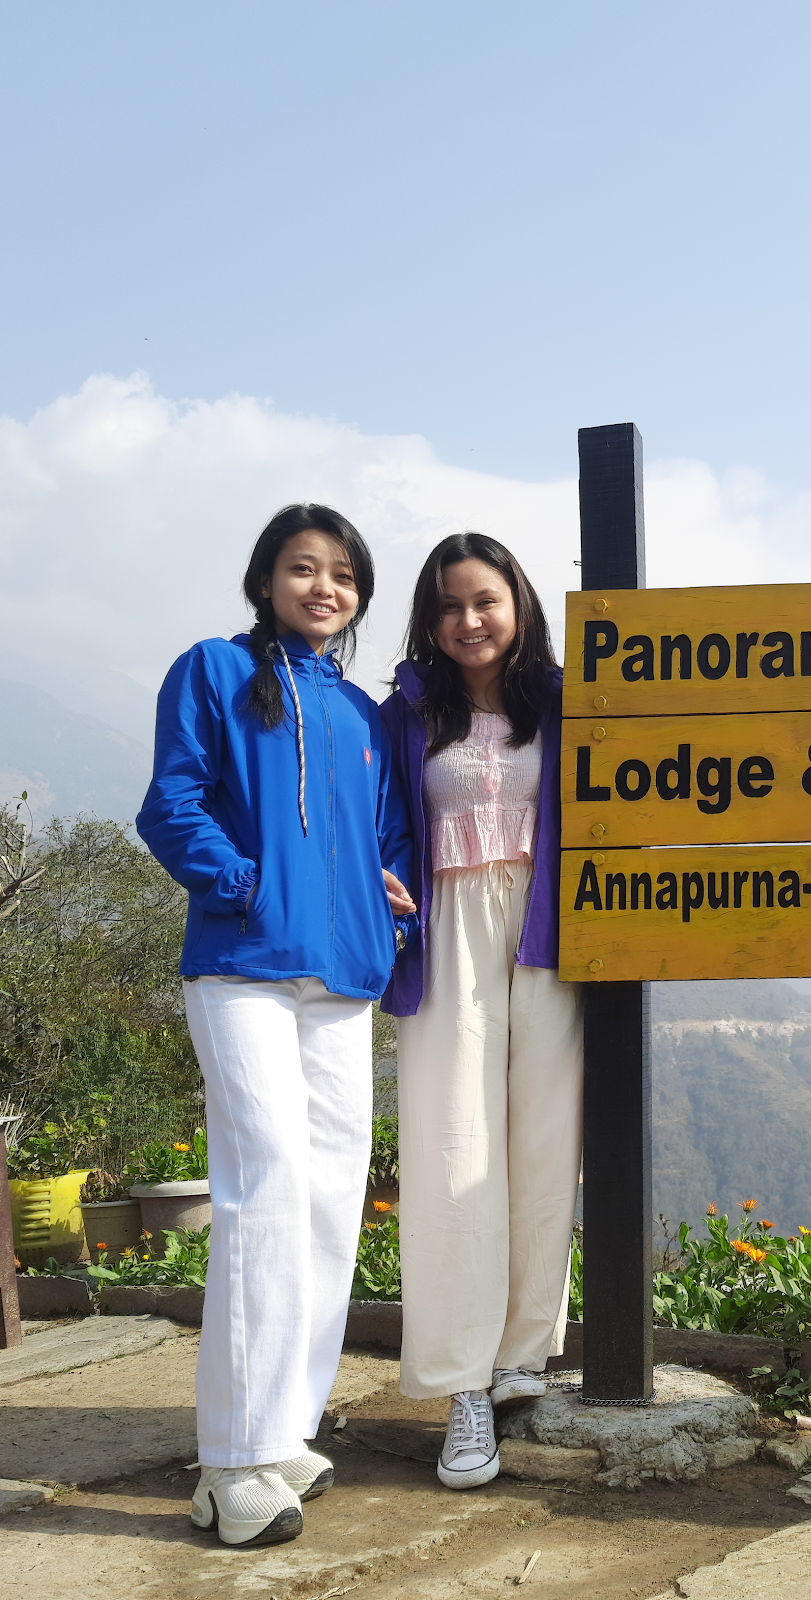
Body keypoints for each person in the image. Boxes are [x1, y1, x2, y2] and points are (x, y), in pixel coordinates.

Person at [138, 505, 417, 1547]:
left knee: (330, 1198)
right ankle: (231, 1462)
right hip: (243, 968)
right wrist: (244, 883)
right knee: (261, 1189)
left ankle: (285, 1425)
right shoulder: (211, 670)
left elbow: (388, 836)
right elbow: (172, 803)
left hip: (341, 976)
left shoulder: (359, 711)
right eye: (303, 568)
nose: (324, 587)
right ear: (265, 580)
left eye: (342, 574)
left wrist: (391, 898)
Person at [380, 532, 579, 1490]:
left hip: (547, 937)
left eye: (486, 600)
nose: (469, 621)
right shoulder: (408, 712)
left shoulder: (564, 700)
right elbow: (373, 818)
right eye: (451, 604)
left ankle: (519, 1358)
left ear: (519, 603)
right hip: (447, 929)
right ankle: (461, 1386)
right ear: (430, 616)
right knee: (453, 1149)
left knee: (545, 1145)